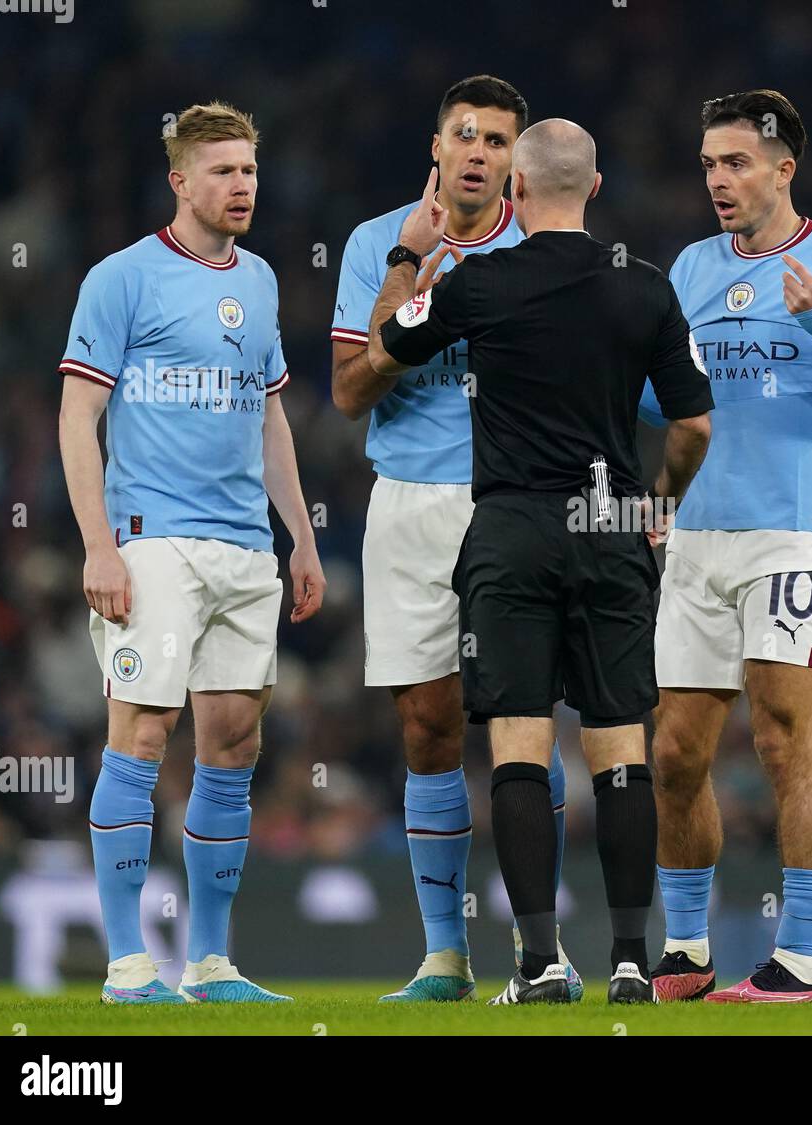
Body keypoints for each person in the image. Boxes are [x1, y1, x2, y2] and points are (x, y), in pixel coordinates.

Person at [369, 119, 713, 1004]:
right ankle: (634, 960)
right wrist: (658, 502)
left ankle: (539, 962)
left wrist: (410, 260)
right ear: (595, 190)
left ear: (515, 191)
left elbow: (392, 349)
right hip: (609, 523)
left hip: (512, 528)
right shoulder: (646, 287)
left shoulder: (482, 281)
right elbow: (693, 423)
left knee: (519, 741)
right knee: (620, 745)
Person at [58, 102, 325, 1004]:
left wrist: (300, 536)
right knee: (140, 734)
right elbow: (77, 417)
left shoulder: (260, 281)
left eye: (249, 169)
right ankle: (129, 963)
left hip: (245, 546)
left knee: (233, 741)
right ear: (180, 181)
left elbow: (271, 413)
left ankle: (211, 962)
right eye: (222, 171)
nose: (241, 185)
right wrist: (99, 544)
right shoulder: (122, 278)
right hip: (153, 541)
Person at [639, 90, 812, 1003]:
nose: (717, 178)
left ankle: (799, 960)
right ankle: (685, 949)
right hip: (697, 536)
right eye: (708, 162)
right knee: (673, 752)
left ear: (785, 168)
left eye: (736, 161)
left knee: (788, 743)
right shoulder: (690, 267)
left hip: (792, 535)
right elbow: (655, 399)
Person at [331, 76, 579, 1003]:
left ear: (518, 158)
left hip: (514, 501)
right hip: (407, 502)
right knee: (428, 727)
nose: (478, 151)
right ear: (436, 147)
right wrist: (411, 262)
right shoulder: (375, 243)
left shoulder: (541, 244)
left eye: (497, 139)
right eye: (463, 135)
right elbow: (352, 390)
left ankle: (541, 948)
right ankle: (444, 957)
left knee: (524, 728)